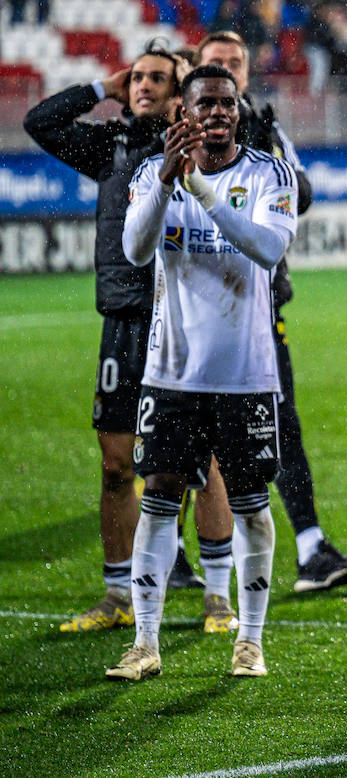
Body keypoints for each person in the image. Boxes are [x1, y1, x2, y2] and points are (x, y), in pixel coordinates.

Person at [23, 42, 241, 636]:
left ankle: (218, 597)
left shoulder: (198, 150)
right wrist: (102, 88)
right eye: (136, 78)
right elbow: (38, 123)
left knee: (203, 462)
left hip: (183, 317)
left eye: (156, 79)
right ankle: (118, 594)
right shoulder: (110, 146)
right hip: (123, 320)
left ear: (179, 95)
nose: (143, 86)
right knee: (117, 465)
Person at [108, 64, 298, 681]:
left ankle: (251, 640)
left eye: (227, 103)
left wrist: (206, 192)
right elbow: (136, 251)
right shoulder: (149, 173)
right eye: (205, 105)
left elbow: (269, 248)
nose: (218, 113)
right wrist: (167, 181)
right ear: (181, 115)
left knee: (251, 506)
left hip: (246, 376)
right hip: (172, 374)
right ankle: (144, 642)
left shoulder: (268, 173)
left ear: (238, 110)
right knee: (159, 500)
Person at [196, 30, 347, 593]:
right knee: (187, 443)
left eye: (235, 64)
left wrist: (265, 145)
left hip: (261, 304)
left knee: (280, 427)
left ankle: (309, 548)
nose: (227, 72)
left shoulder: (265, 127)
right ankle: (177, 558)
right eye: (215, 65)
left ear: (245, 75)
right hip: (191, 315)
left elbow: (303, 190)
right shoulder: (177, 137)